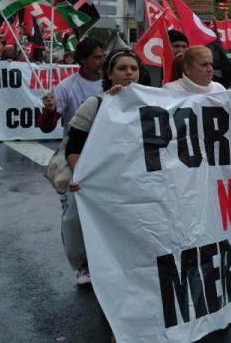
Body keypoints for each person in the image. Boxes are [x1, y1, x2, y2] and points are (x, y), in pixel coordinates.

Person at [64, 49, 144, 286]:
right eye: (122, 68)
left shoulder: (150, 103)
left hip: (131, 180)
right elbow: (73, 149)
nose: (129, 73)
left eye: (134, 68)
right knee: (87, 226)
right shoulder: (95, 104)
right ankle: (86, 265)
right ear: (109, 73)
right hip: (98, 182)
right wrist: (80, 175)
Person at [38, 38, 105, 134]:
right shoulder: (65, 87)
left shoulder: (113, 83)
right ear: (82, 59)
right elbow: (46, 128)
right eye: (97, 57)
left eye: (104, 56)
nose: (103, 61)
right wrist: (49, 112)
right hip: (76, 147)